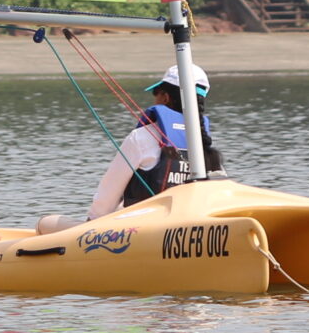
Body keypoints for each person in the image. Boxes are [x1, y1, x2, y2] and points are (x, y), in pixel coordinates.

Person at [86, 65, 218, 218]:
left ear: (165, 97)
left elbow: (105, 201)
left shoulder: (141, 137)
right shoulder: (205, 141)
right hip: (189, 224)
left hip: (141, 230)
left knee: (51, 222)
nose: (155, 99)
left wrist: (89, 224)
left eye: (156, 94)